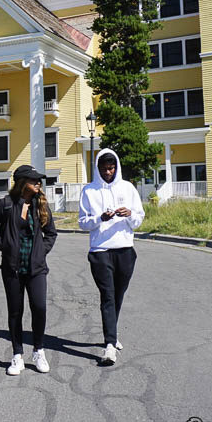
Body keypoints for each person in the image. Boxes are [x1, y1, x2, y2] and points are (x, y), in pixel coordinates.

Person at [0, 164, 58, 376]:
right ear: (23, 183)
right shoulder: (6, 204)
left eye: (38, 180)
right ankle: (17, 355)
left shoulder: (40, 205)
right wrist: (5, 246)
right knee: (15, 312)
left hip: (36, 268)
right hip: (13, 269)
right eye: (34, 180)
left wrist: (40, 252)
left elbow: (51, 233)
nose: (38, 183)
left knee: (39, 308)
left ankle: (38, 350)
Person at [78, 148, 144, 366]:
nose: (109, 171)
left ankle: (112, 334)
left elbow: (139, 219)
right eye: (105, 168)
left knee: (118, 295)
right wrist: (100, 218)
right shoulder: (89, 191)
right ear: (97, 168)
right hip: (100, 251)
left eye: (112, 167)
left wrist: (130, 215)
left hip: (125, 249)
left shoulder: (128, 188)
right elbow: (82, 223)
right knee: (107, 295)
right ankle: (109, 346)